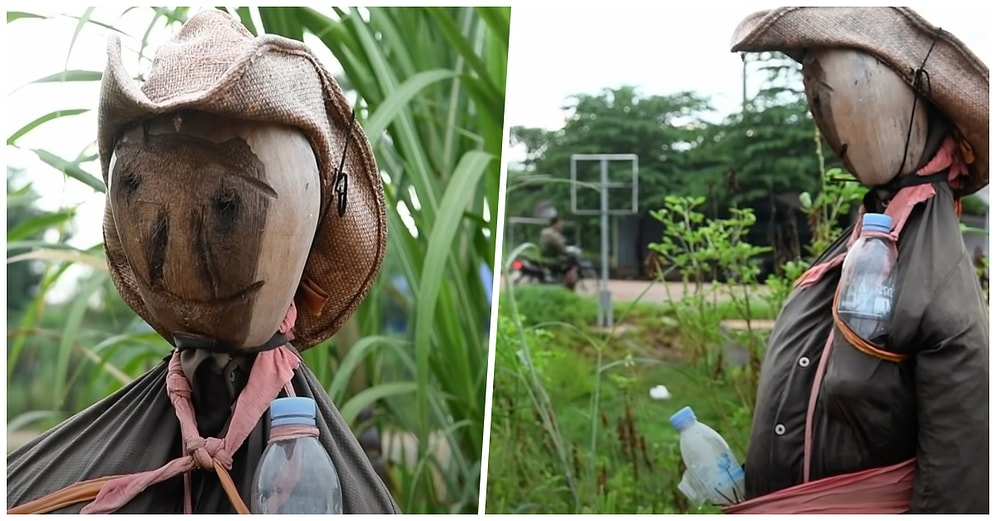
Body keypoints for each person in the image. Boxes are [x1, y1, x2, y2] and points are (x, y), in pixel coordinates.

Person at [727, 7, 988, 514]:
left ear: (919, 109)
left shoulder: (935, 279)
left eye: (855, 90)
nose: (833, 119)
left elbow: (958, 481)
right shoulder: (865, 236)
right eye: (819, 99)